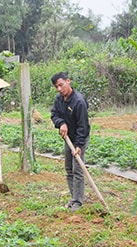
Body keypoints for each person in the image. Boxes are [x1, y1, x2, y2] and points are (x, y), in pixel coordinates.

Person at [50, 72, 90, 212]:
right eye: (56, 87)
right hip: (68, 138)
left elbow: (83, 126)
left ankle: (78, 202)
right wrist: (61, 123)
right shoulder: (59, 99)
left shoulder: (78, 101)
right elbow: (54, 114)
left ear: (68, 81)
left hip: (80, 137)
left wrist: (79, 145)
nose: (59, 89)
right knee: (68, 169)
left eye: (61, 85)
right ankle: (74, 197)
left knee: (77, 169)